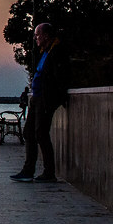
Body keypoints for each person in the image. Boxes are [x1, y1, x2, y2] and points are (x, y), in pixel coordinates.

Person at [11, 23, 69, 183]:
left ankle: (49, 173)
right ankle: (28, 170)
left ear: (46, 35)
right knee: (29, 133)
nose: (35, 38)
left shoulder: (56, 51)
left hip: (45, 98)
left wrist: (59, 97)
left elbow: (60, 76)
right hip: (36, 97)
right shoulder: (44, 52)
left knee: (41, 134)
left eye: (37, 35)